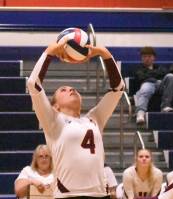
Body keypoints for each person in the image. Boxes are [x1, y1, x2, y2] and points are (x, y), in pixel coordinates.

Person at [27, 41, 124, 198]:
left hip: (99, 195)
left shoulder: (94, 118)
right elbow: (33, 84)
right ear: (55, 106)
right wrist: (50, 52)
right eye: (63, 90)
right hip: (68, 196)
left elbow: (118, 89)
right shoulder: (53, 119)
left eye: (73, 88)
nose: (70, 89)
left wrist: (105, 54)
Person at [135, 46, 173, 124]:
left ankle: (165, 106)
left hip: (160, 85)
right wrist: (156, 78)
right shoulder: (138, 68)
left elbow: (165, 73)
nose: (147, 58)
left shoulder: (160, 67)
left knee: (171, 76)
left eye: (149, 56)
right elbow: (141, 77)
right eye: (144, 57)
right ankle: (140, 114)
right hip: (148, 86)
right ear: (141, 58)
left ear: (154, 58)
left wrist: (150, 75)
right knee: (146, 87)